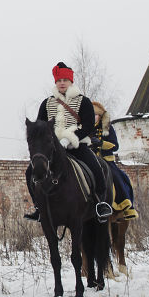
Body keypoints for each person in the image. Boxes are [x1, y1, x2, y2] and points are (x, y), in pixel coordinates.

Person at [24, 62, 112, 222]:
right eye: (59, 80)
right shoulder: (47, 103)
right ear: (55, 83)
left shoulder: (83, 101)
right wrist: (51, 143)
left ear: (71, 81)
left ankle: (101, 203)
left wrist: (69, 139)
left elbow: (87, 125)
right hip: (53, 149)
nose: (62, 83)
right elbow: (40, 127)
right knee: (29, 172)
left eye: (65, 80)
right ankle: (39, 207)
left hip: (77, 145)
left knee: (97, 167)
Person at [91, 101, 139, 220]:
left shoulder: (107, 128)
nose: (93, 117)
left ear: (100, 116)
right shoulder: (85, 128)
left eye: (95, 115)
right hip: (90, 159)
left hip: (106, 160)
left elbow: (115, 146)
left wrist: (101, 143)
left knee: (117, 177)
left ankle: (126, 207)